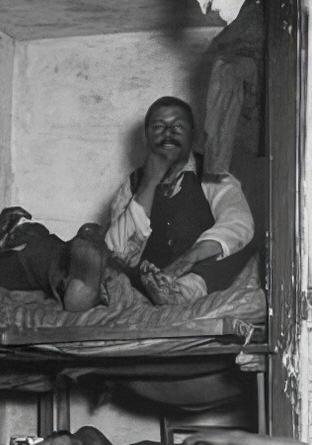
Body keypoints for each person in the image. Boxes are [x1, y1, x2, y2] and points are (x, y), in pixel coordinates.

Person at [104, 96, 258, 305]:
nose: (168, 134)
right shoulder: (133, 184)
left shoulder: (213, 175)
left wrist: (188, 260)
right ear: (145, 137)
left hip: (199, 274)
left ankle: (182, 292)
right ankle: (160, 291)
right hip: (151, 277)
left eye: (178, 127)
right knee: (110, 261)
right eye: (159, 127)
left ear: (192, 136)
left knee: (239, 249)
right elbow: (119, 250)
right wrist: (149, 183)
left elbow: (238, 223)